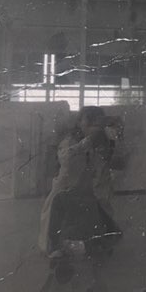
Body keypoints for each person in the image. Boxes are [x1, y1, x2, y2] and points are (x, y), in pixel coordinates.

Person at [38, 106, 121, 260]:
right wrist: (86, 143)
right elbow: (66, 160)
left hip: (88, 190)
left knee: (100, 219)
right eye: (89, 122)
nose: (93, 127)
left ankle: (93, 246)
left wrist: (110, 143)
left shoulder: (102, 142)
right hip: (66, 187)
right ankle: (56, 247)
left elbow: (107, 168)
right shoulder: (70, 141)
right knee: (56, 219)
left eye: (97, 123)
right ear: (80, 123)